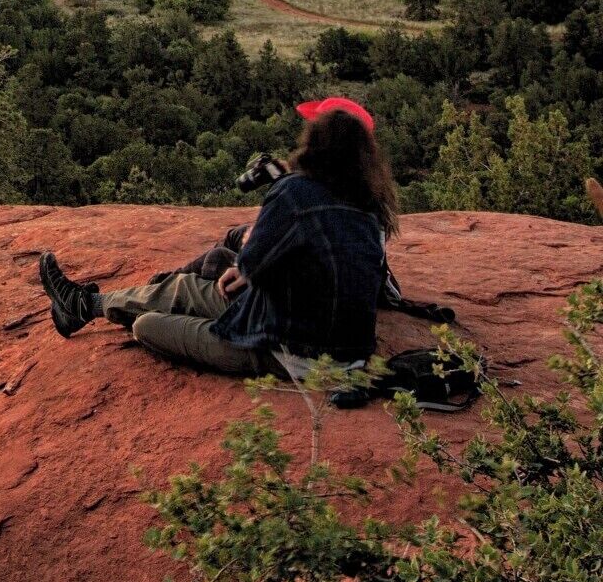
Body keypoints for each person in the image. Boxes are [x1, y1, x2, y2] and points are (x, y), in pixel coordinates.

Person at [37, 101, 398, 377]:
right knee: (184, 288)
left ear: (315, 143)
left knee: (147, 325)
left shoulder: (295, 191)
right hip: (344, 352)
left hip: (290, 352)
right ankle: (84, 305)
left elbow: (254, 255)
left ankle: (93, 306)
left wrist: (248, 261)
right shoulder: (371, 209)